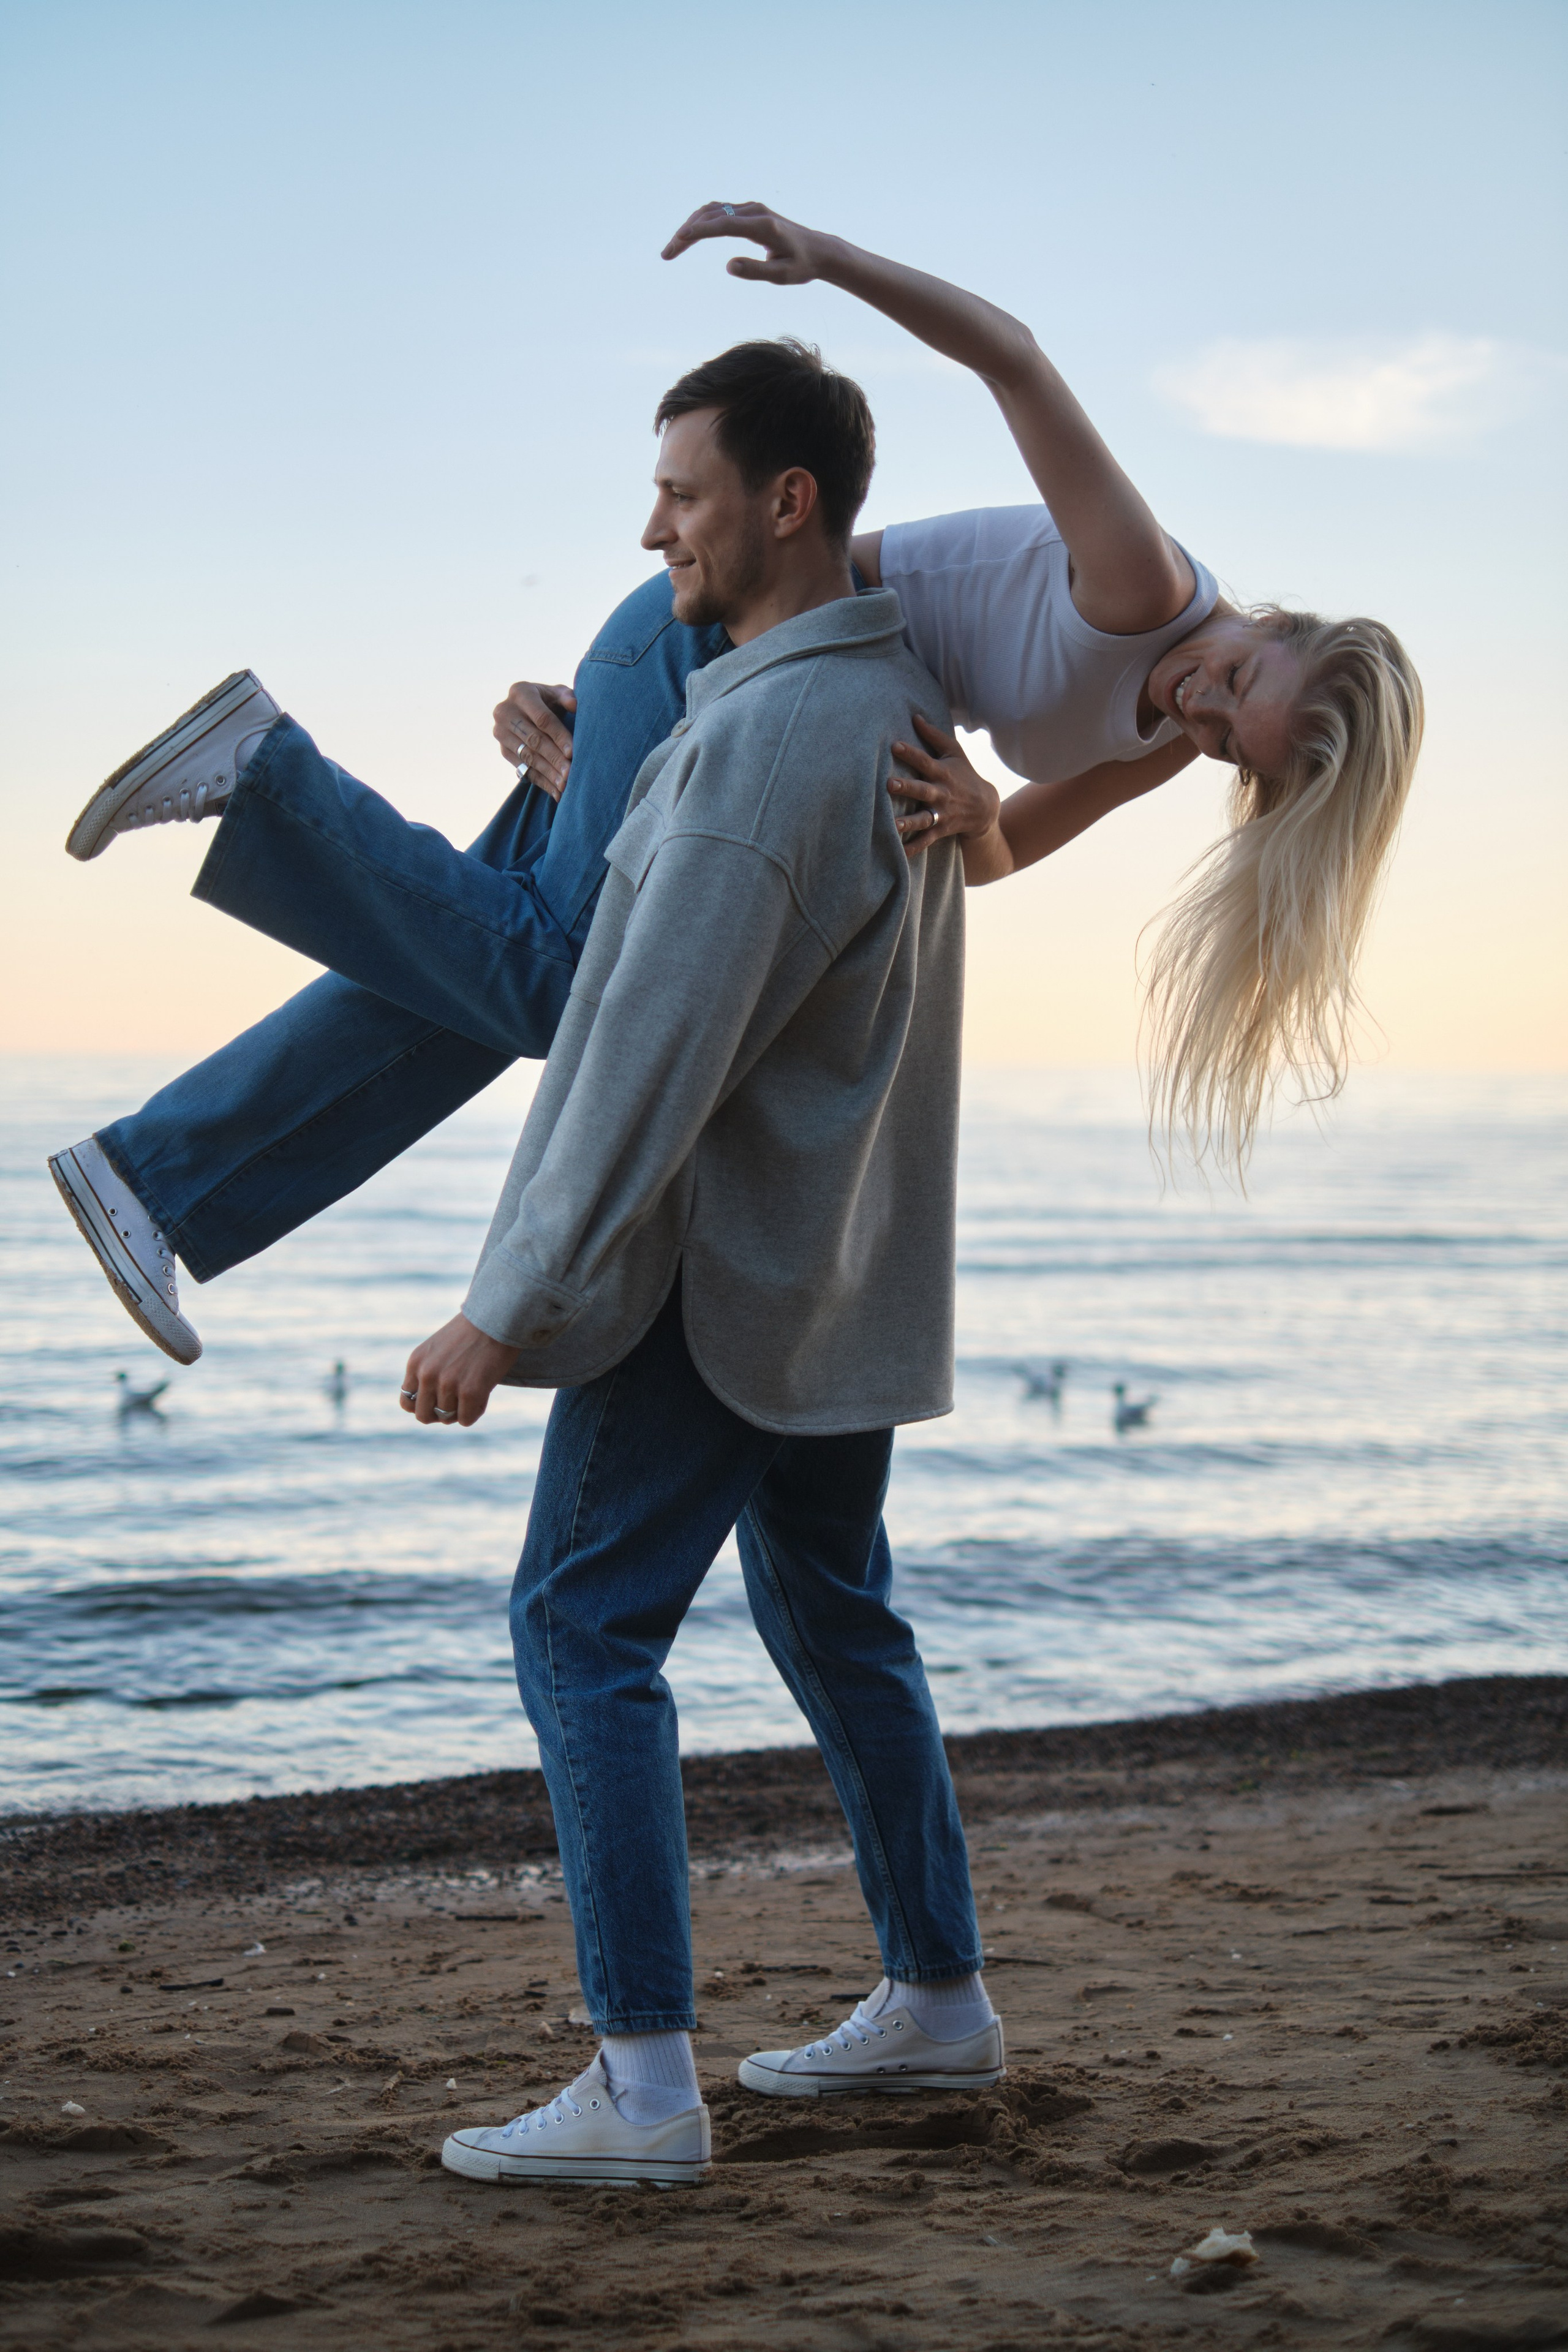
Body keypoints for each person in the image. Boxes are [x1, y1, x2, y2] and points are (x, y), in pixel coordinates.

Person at [50, 204, 1423, 1365]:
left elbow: (1000, 852)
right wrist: (822, 255)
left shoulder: (1163, 739)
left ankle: (153, 1180)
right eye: (1239, 678)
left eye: (1230, 741)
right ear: (1277, 623)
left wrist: (972, 813)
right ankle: (259, 774)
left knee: (480, 979)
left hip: (751, 689)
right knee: (549, 978)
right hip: (707, 641)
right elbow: (1012, 358)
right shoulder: (1149, 588)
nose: (1205, 702)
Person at [403, 338, 994, 2186]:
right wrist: (617, 789)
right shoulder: (889, 706)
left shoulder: (759, 749)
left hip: (711, 1283)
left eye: (681, 491)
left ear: (785, 501)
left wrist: (507, 1299)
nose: (653, 524)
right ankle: (939, 1998)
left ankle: (642, 2088)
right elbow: (743, 916)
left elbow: (649, 1044)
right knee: (835, 1616)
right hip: (838, 1279)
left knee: (580, 1629)